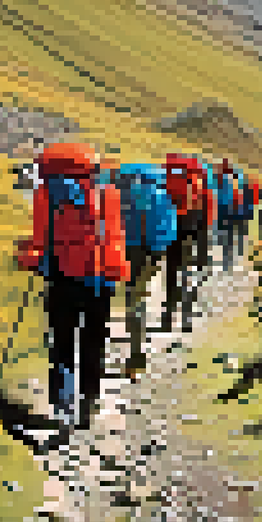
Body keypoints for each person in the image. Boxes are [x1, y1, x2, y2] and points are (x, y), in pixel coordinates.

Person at [17, 143, 128, 430]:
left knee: (62, 343)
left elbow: (41, 238)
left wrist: (27, 257)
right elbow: (115, 236)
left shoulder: (47, 196)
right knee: (94, 343)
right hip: (101, 280)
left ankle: (62, 408)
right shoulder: (110, 195)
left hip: (62, 279)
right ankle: (87, 406)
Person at [115, 162, 177, 379]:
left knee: (129, 297)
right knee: (139, 299)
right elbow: (170, 233)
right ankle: (136, 356)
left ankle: (131, 346)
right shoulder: (164, 197)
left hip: (128, 251)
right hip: (152, 255)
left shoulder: (123, 196)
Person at [162, 154, 215, 333]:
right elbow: (207, 217)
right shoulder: (201, 185)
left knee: (170, 274)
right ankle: (186, 318)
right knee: (187, 276)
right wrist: (204, 247)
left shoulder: (166, 181)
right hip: (192, 233)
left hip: (171, 233)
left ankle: (167, 317)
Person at [213, 159, 245, 273]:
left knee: (222, 234)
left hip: (222, 209)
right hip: (230, 210)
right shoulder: (234, 180)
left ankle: (225, 259)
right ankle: (227, 260)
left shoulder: (219, 179)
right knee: (227, 235)